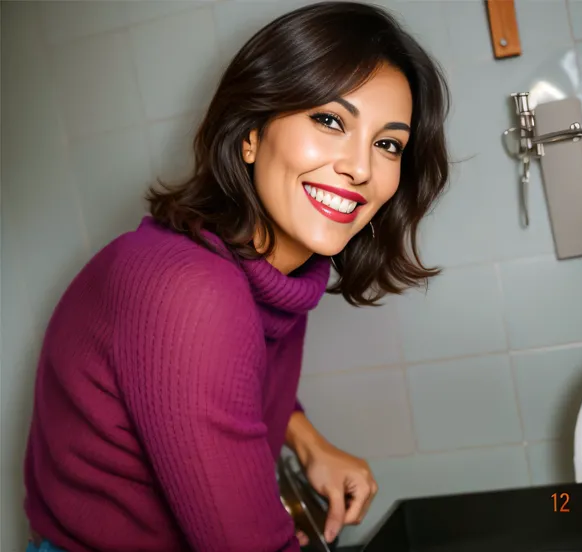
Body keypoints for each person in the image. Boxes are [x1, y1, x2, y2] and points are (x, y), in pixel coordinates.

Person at [23, 2, 450, 551]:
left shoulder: (261, 267)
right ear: (250, 132)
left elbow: (205, 382)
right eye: (329, 120)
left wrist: (304, 438)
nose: (361, 168)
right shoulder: (191, 295)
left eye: (387, 143)